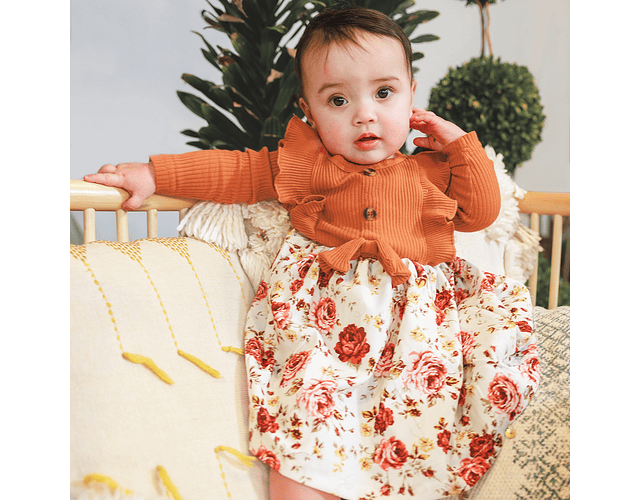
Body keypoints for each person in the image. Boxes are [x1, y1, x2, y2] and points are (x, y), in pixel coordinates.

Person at [85, 6, 540, 500]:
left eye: (384, 93)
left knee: (418, 424)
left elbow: (481, 213)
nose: (364, 114)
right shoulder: (307, 167)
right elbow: (236, 172)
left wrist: (461, 147)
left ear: (412, 95)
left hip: (416, 332)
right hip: (325, 325)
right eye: (338, 100)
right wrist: (154, 175)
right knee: (305, 414)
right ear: (309, 111)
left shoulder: (432, 171)